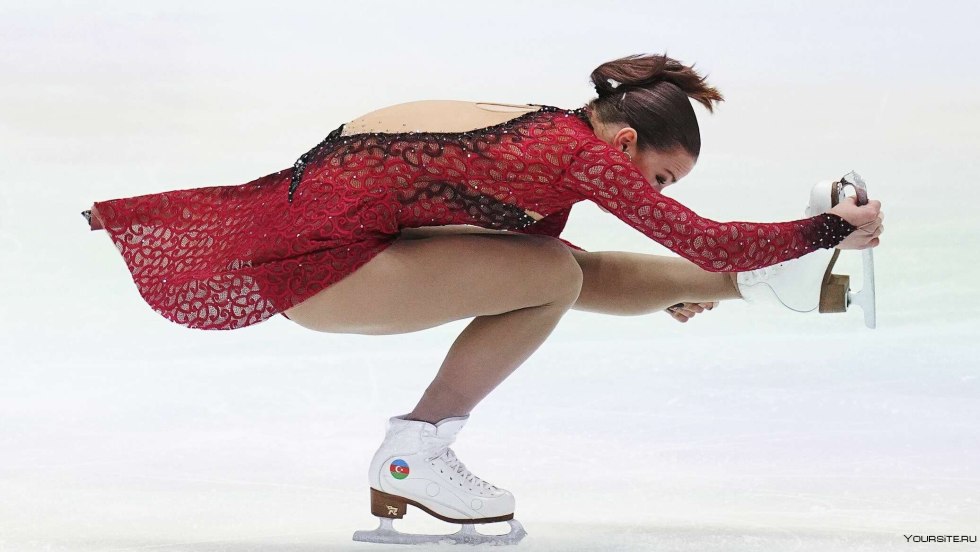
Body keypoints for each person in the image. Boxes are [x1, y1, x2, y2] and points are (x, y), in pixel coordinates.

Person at [81, 53, 883, 545]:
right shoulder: (585, 156)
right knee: (550, 276)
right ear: (627, 142)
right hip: (321, 271)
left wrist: (734, 268)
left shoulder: (553, 130)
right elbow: (699, 235)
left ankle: (758, 287)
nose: (655, 193)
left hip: (341, 243)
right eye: (660, 178)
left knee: (558, 267)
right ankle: (413, 452)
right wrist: (824, 231)